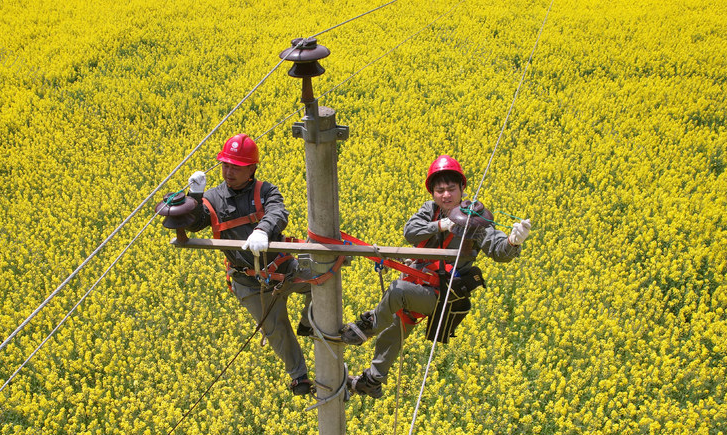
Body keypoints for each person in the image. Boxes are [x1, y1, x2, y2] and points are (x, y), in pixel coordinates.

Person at [340, 155, 531, 398]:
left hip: (443, 294)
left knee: (397, 292)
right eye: (439, 190)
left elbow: (498, 250)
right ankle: (372, 380)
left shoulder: (475, 219)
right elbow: (410, 233)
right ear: (433, 193)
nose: (446, 195)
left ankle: (365, 329)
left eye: (452, 189)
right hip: (419, 283)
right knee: (398, 325)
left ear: (462, 188)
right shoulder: (430, 211)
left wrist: (514, 241)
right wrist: (441, 225)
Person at [181, 133, 313, 395]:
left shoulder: (265, 191)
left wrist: (263, 229)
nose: (229, 172)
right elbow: (194, 224)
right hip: (248, 281)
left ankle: (309, 321)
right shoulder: (213, 197)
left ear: (252, 168)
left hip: (282, 270)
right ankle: (299, 376)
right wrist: (194, 198)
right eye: (225, 165)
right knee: (275, 328)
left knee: (321, 281)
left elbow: (278, 212)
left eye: (236, 166)